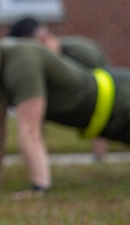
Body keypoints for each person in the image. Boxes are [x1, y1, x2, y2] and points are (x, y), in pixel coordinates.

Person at [0, 12, 130, 198]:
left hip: (122, 101)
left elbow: (30, 131)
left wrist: (39, 188)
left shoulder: (20, 61)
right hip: (109, 117)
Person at [9, 17, 111, 161]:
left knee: (101, 107)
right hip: (62, 98)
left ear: (44, 39)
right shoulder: (36, 65)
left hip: (99, 92)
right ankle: (34, 158)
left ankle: (99, 159)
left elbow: (105, 102)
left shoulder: (82, 53)